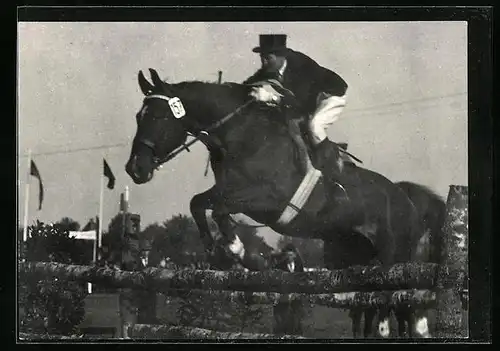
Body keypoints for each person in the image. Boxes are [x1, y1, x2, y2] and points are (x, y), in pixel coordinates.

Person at [243, 34, 349, 180]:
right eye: (262, 57)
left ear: (282, 56)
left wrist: (270, 97)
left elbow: (300, 104)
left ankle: (335, 173)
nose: (264, 62)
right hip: (310, 100)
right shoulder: (271, 67)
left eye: (268, 58)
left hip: (331, 95)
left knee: (314, 126)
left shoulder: (301, 66)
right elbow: (250, 83)